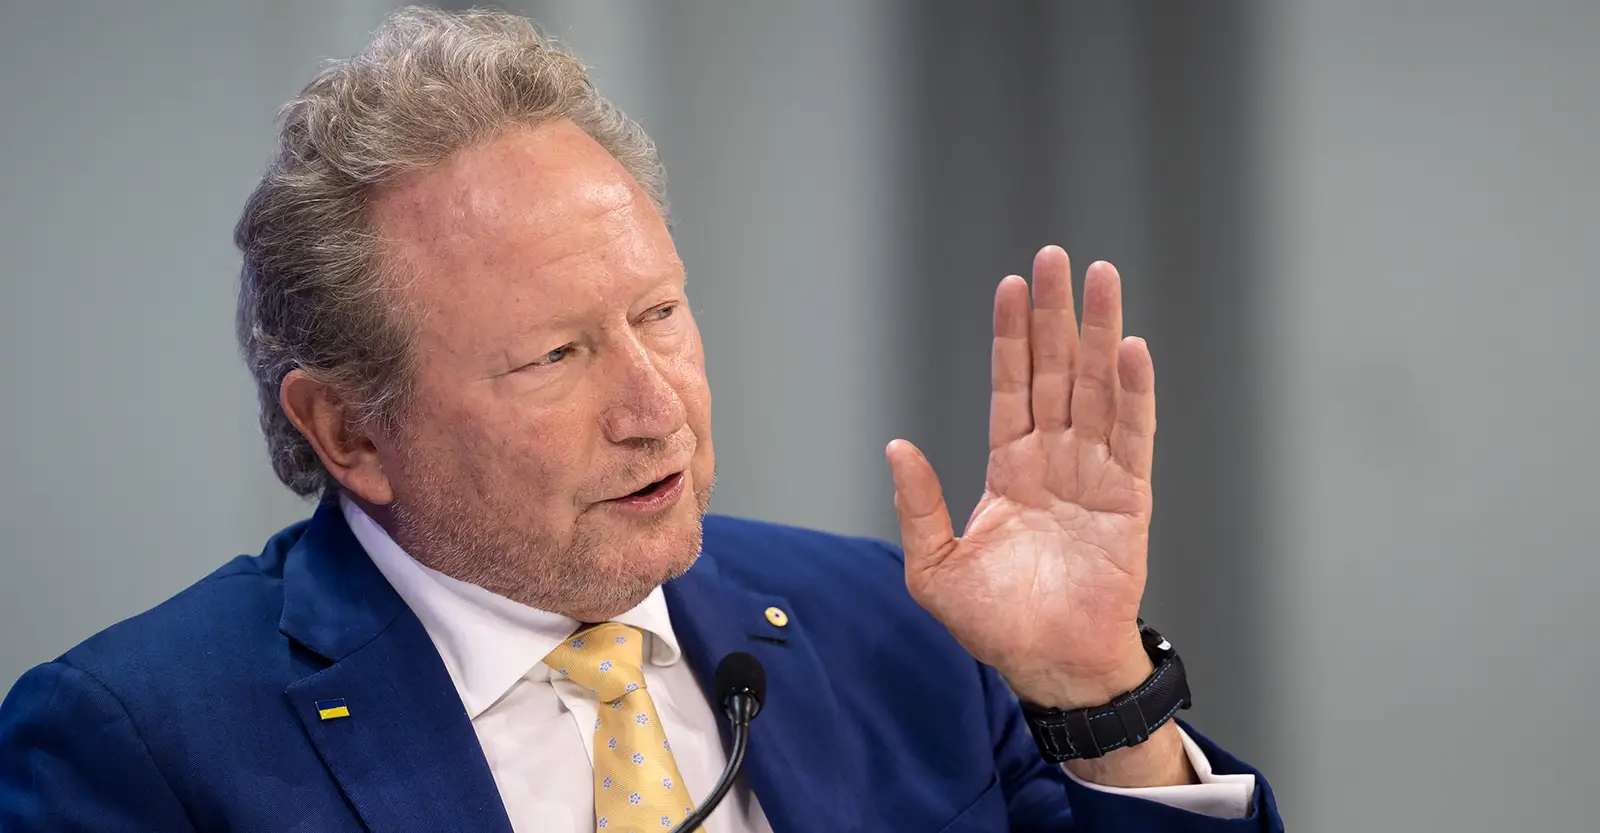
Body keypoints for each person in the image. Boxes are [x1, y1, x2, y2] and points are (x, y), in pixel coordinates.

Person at [0, 7, 1282, 832]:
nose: (653, 404)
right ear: (348, 431)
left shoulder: (902, 627)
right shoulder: (139, 743)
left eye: (660, 313)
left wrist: (1096, 699)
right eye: (555, 353)